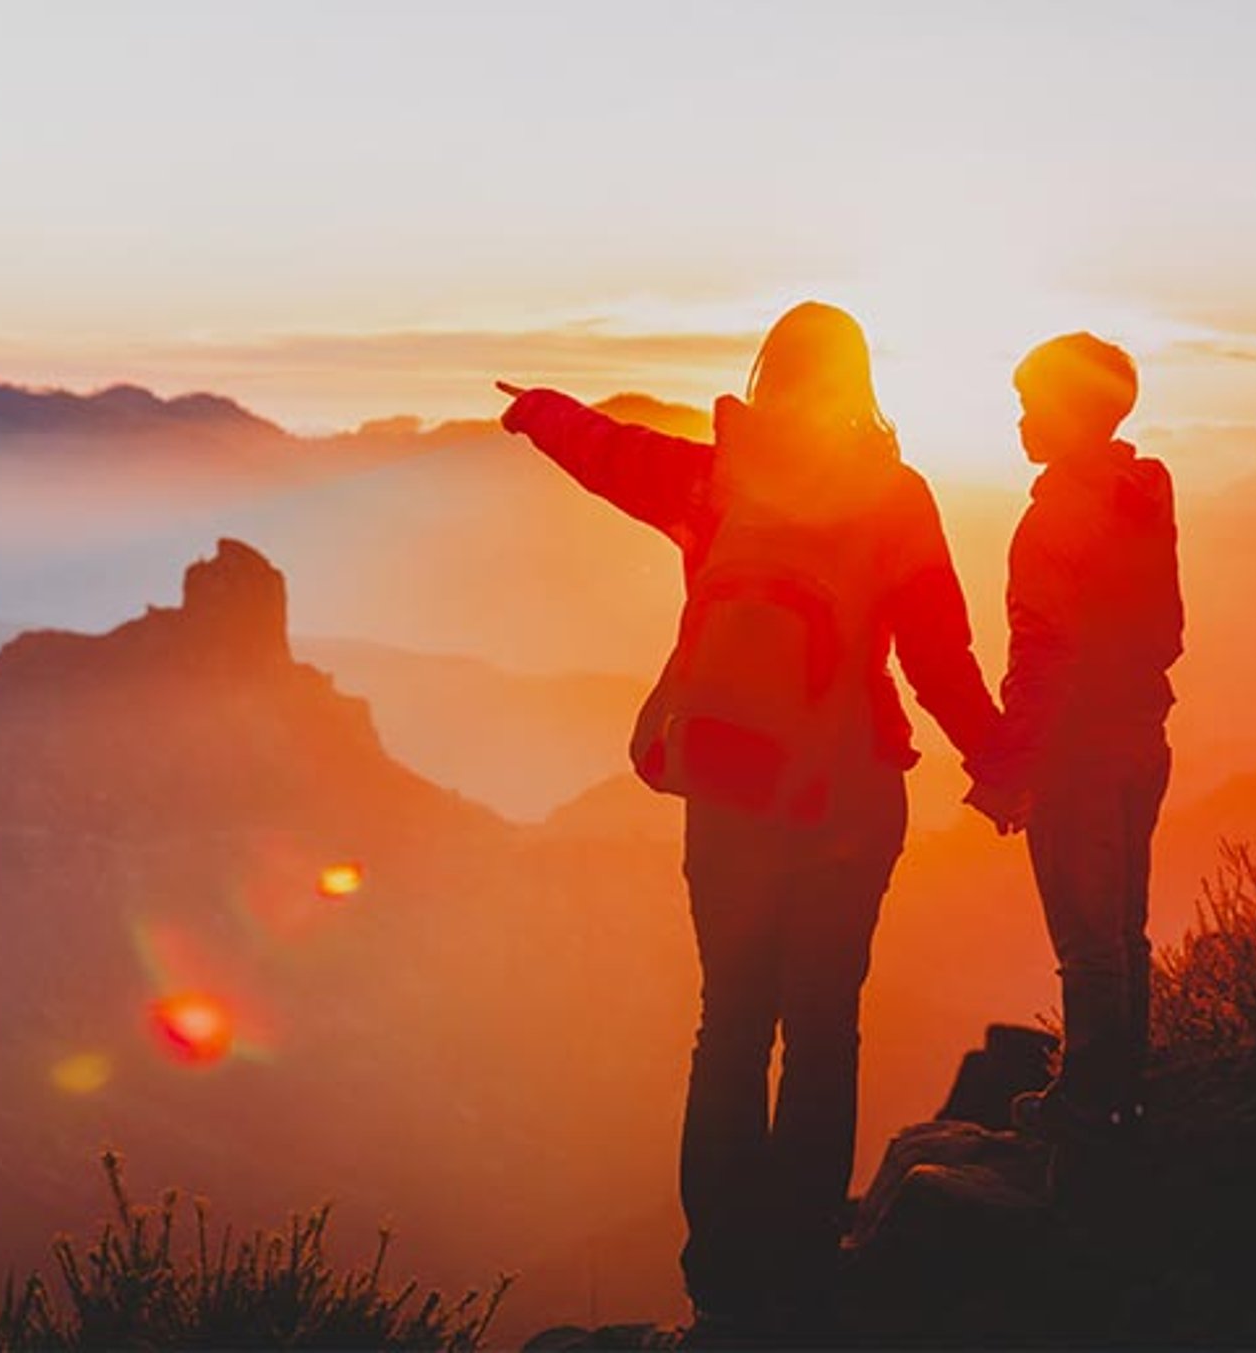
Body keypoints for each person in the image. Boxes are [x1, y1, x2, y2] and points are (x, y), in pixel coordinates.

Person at [495, 302, 1007, 1337]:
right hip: (848, 796)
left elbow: (609, 452)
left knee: (728, 1026)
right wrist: (999, 763)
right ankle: (803, 1258)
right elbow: (939, 653)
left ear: (770, 374)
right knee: (822, 1029)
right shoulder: (892, 498)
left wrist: (539, 411)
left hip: (730, 793)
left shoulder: (711, 477)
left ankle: (721, 1271)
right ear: (857, 382)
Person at [967, 333, 1183, 1149]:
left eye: (1032, 405)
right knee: (1125, 927)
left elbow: (1041, 660)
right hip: (1142, 733)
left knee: (1087, 939)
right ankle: (1127, 1091)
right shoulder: (1145, 491)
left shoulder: (1055, 522)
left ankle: (1092, 1107)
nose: (1021, 421)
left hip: (1078, 750)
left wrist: (1007, 770)